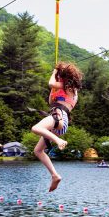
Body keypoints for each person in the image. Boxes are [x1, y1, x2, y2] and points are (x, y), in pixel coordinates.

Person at [31, 62, 83, 192]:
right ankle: (55, 175)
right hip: (59, 122)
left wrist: (54, 73)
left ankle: (59, 141)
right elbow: (50, 102)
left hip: (59, 116)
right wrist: (53, 91)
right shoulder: (64, 88)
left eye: (59, 75)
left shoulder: (70, 87)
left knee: (35, 128)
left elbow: (51, 83)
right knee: (37, 151)